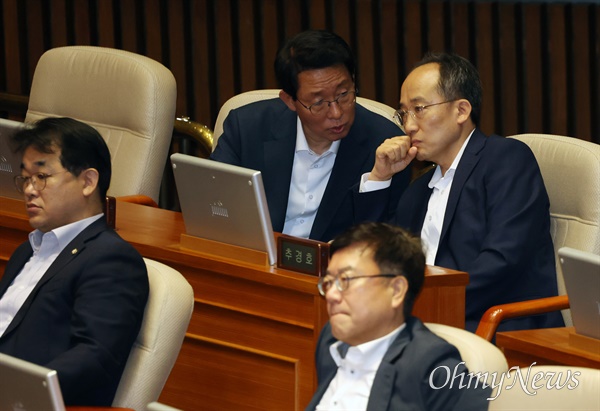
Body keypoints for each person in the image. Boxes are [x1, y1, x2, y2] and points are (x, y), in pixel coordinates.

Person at [359, 52, 563, 332]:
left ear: (461, 111)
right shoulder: (420, 188)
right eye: (403, 113)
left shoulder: (506, 159)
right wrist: (379, 178)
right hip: (428, 323)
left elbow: (502, 262)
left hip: (495, 328)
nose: (408, 125)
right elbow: (377, 255)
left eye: (419, 109)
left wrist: (421, 308)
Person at [0, 117, 149, 406]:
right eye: (25, 178)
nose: (30, 189)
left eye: (41, 177)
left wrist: (17, 388)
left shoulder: (111, 259)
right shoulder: (25, 251)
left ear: (88, 182)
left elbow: (94, 358)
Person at [210, 29, 411, 242]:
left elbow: (387, 237)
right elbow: (212, 205)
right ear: (289, 100)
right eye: (318, 102)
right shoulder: (246, 127)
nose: (336, 113)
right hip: (254, 260)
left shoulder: (385, 142)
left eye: (344, 95)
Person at [306, 222, 491, 411]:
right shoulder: (330, 340)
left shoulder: (428, 362)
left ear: (396, 290)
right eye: (329, 282)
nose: (331, 295)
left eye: (346, 280)